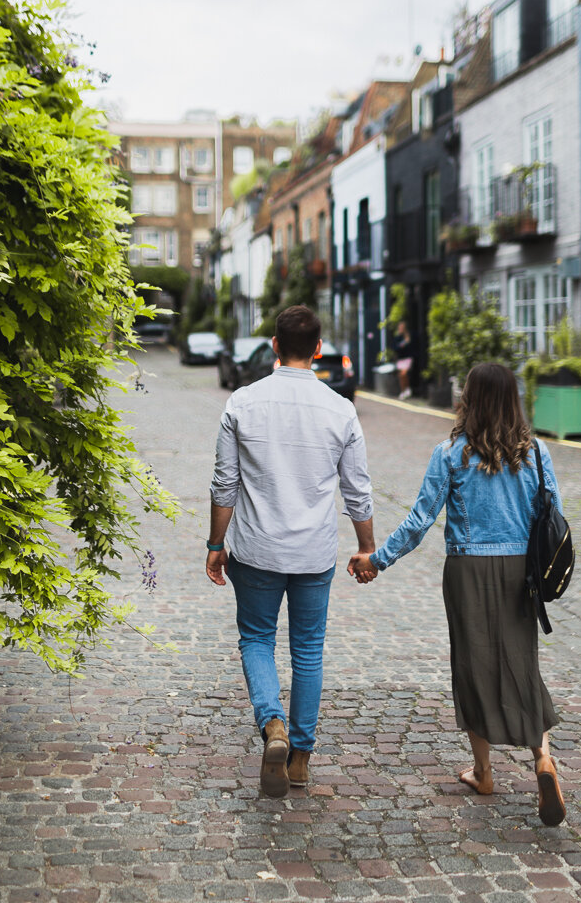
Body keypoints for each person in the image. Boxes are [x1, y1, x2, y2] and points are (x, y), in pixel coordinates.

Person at [348, 362, 566, 827]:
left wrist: (376, 559)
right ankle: (543, 758)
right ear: (513, 400)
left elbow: (419, 520)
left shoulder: (451, 453)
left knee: (473, 666)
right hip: (519, 573)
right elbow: (555, 519)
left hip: (468, 570)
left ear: (469, 398)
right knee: (521, 662)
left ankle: (484, 772)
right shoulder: (538, 453)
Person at [207, 304, 375, 798]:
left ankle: (272, 725)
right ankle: (300, 758)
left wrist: (217, 544)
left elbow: (224, 484)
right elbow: (358, 490)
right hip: (313, 554)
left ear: (276, 346)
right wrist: (366, 547)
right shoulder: (340, 409)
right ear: (318, 349)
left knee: (257, 639)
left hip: (255, 548)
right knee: (308, 650)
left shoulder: (242, 402)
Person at [394, 320, 414, 400]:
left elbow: (411, 348)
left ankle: (407, 388)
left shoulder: (409, 336)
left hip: (407, 359)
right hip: (400, 359)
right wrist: (404, 343)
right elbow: (396, 348)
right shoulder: (397, 337)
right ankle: (403, 391)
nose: (401, 328)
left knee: (403, 374)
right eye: (400, 327)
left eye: (402, 327)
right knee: (400, 376)